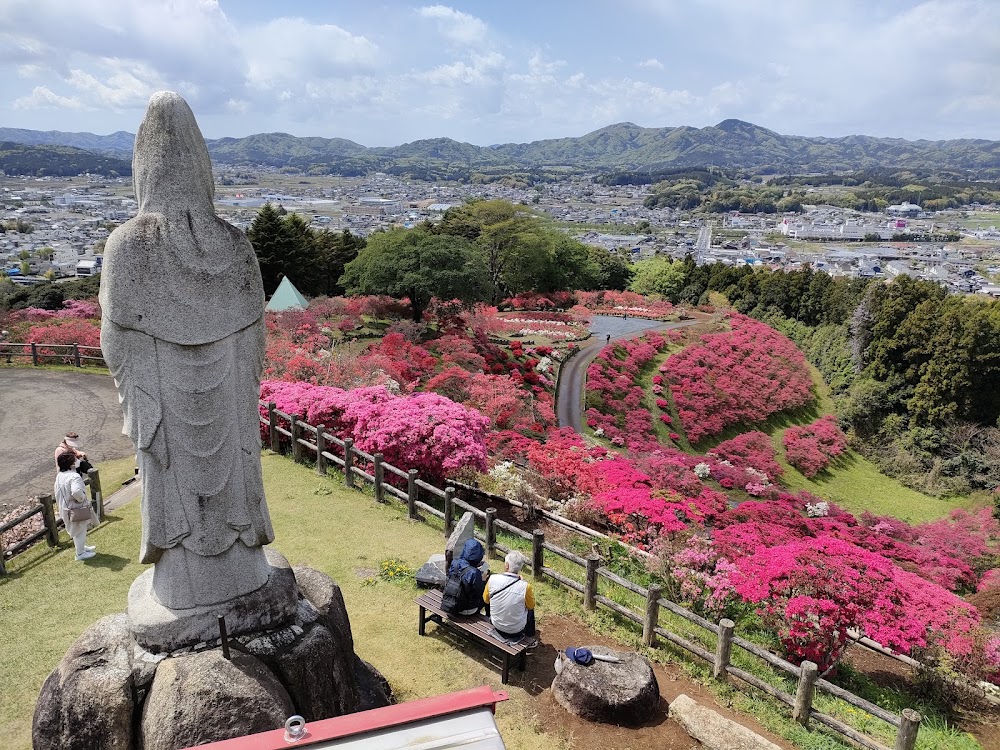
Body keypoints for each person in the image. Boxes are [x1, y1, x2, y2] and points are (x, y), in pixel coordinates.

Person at [100, 92, 274, 610]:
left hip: (163, 405)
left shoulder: (125, 246)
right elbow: (255, 343)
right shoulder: (235, 244)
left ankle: (184, 584)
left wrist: (140, 393)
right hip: (229, 407)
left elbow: (116, 341)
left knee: (170, 476)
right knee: (237, 472)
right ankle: (241, 572)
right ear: (203, 165)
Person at [484, 550, 536, 645]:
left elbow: (486, 600)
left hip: (496, 624)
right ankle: (530, 636)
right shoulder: (526, 586)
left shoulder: (492, 579)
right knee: (530, 609)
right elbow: (531, 606)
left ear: (507, 565)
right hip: (516, 630)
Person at [55, 451, 97, 561]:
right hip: (76, 508)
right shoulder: (74, 476)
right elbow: (76, 492)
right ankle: (80, 553)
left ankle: (81, 548)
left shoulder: (60, 475)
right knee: (80, 530)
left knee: (76, 530)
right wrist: (82, 497)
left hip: (65, 507)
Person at [447, 539, 488, 616]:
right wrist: (483, 580)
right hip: (465, 610)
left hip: (450, 602)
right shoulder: (475, 573)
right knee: (488, 595)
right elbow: (479, 593)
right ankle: (487, 616)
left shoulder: (454, 563)